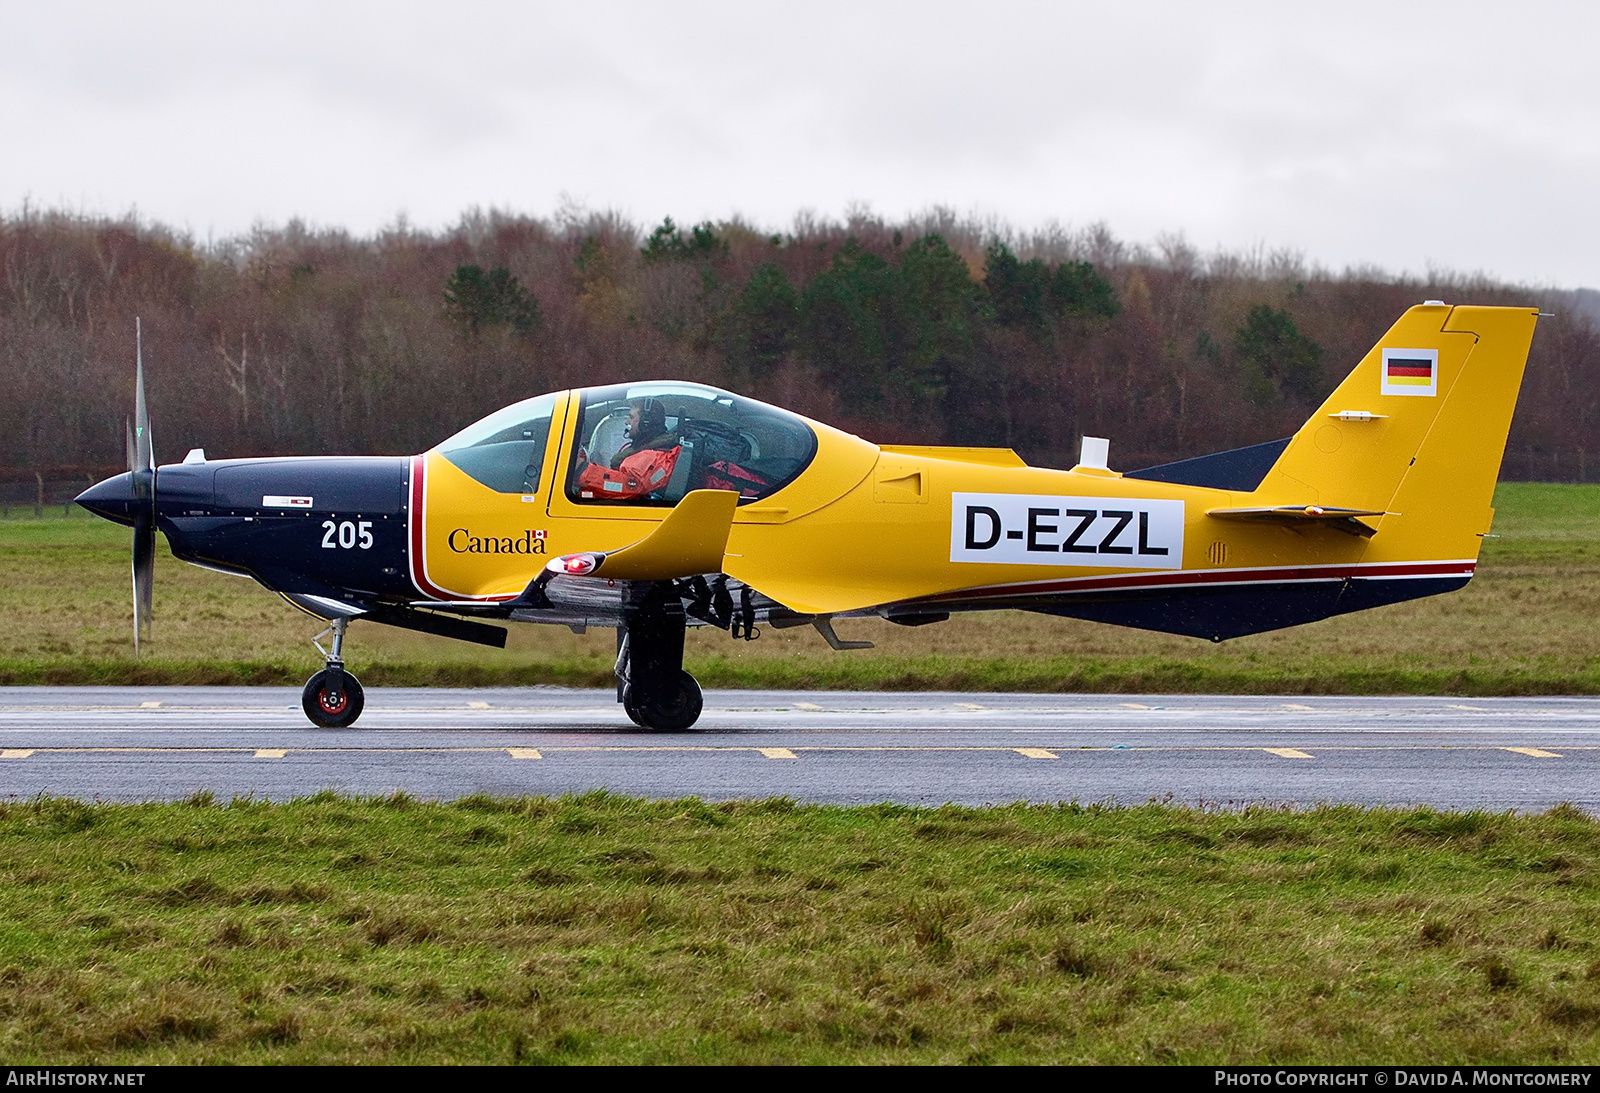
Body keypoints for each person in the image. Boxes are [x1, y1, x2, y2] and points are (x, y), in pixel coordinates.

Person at [610, 398, 676, 468]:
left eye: (631, 417)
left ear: (645, 423)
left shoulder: (650, 458)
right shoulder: (642, 448)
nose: (626, 422)